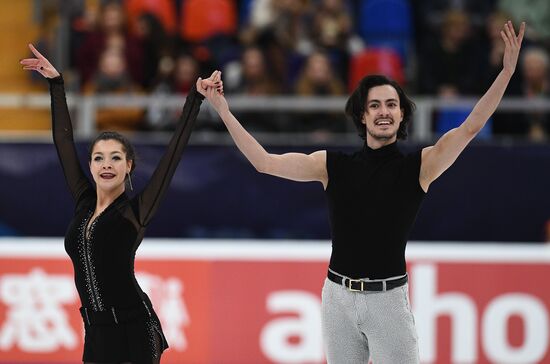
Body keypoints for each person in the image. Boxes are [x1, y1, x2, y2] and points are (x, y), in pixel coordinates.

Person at [203, 21, 525, 363]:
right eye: (375, 105)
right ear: (362, 115)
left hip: (388, 303)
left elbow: (471, 126)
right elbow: (264, 162)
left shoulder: (420, 167)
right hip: (337, 299)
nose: (383, 111)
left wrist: (505, 73)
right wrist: (223, 109)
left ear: (402, 115)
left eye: (390, 104)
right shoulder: (333, 166)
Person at [20, 44, 220, 364]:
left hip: (135, 329)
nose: (106, 164)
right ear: (90, 166)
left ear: (129, 166)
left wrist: (194, 99)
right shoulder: (84, 202)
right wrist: (56, 84)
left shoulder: (135, 212)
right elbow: (64, 141)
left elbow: (172, 156)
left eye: (116, 158)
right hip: (96, 332)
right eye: (99, 158)